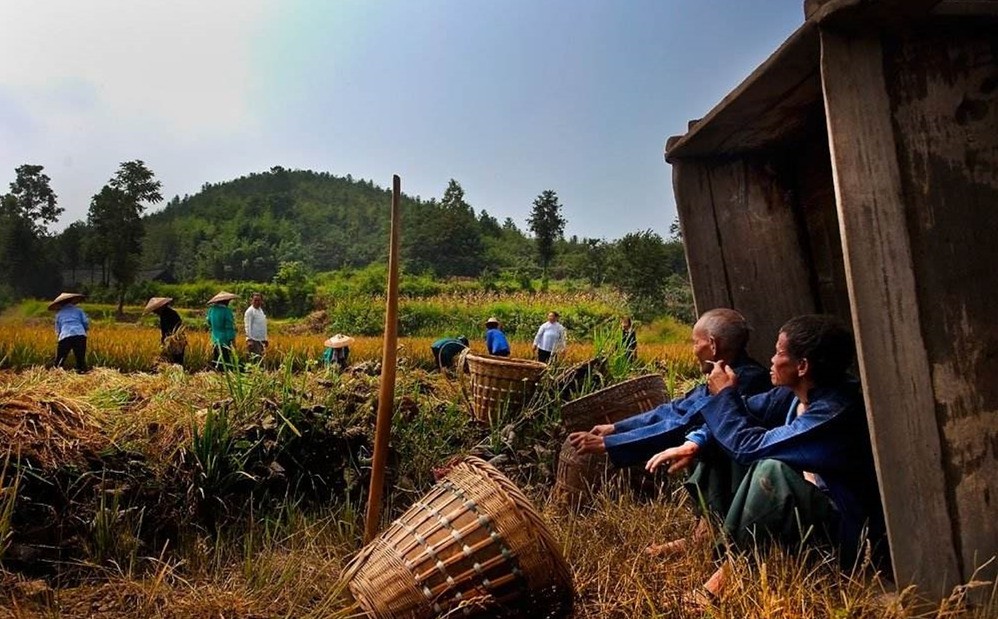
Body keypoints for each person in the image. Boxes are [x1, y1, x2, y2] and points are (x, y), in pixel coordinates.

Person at [646, 314, 888, 604]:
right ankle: (711, 534)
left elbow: (749, 446)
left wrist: (724, 395)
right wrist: (695, 443)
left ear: (802, 366)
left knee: (771, 468)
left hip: (844, 535)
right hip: (810, 514)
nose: (771, 360)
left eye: (779, 353)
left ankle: (730, 570)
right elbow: (741, 414)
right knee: (721, 437)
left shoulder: (833, 412)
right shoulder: (792, 395)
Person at [569, 308, 771, 470]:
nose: (693, 350)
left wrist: (610, 443)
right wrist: (617, 428)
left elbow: (684, 422)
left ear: (712, 345)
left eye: (695, 342)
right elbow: (676, 409)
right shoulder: (723, 375)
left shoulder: (744, 381)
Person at [50, 292, 89, 372]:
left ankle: (56, 372)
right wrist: (84, 330)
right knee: (80, 358)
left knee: (60, 358)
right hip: (80, 335)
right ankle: (82, 372)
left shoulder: (59, 314)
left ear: (60, 303)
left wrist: (58, 337)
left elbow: (58, 329)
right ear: (71, 301)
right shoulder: (78, 311)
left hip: (65, 335)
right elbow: (85, 322)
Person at [145, 296, 186, 365]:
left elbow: (175, 329)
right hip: (171, 341)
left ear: (161, 307)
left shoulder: (169, 314)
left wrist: (169, 340)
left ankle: (176, 373)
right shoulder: (164, 314)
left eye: (155, 310)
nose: (155, 312)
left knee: (176, 360)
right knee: (170, 360)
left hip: (175, 341)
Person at [206, 291, 237, 370]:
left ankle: (215, 373)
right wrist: (232, 340)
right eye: (228, 301)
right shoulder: (226, 311)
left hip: (214, 338)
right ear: (225, 301)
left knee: (216, 357)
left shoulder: (211, 310)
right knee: (225, 361)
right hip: (224, 340)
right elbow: (229, 327)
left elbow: (208, 321)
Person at [244, 292, 268, 362]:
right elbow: (247, 326)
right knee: (255, 360)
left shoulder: (260, 310)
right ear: (251, 301)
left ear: (261, 301)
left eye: (259, 300)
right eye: (255, 300)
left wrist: (265, 338)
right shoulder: (250, 311)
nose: (257, 302)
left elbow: (263, 325)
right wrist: (249, 339)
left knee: (260, 359)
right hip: (253, 340)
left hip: (260, 339)